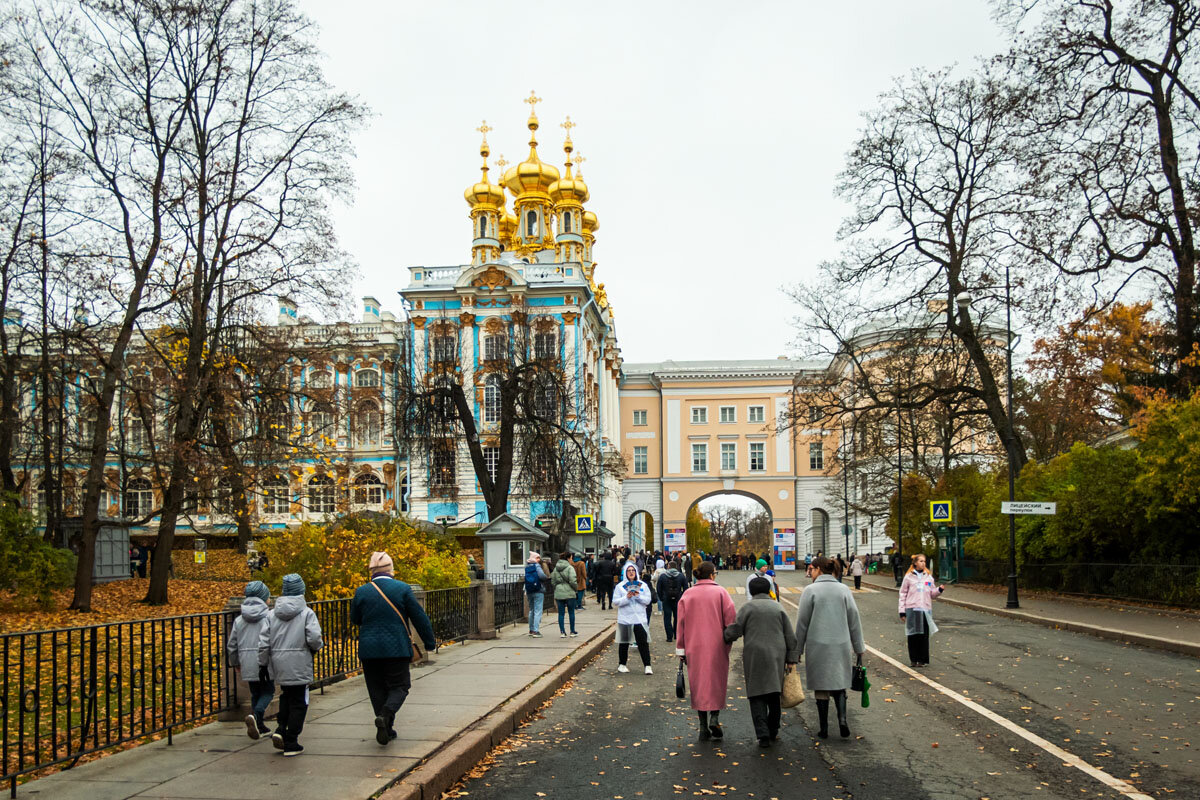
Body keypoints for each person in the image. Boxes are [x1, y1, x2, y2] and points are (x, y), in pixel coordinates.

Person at [350, 552, 437, 746]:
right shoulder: (402, 589)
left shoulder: (361, 591)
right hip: (396, 648)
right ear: (391, 569)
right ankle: (386, 714)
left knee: (376, 689)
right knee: (399, 686)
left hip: (369, 649)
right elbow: (419, 617)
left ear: (371, 571)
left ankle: (386, 728)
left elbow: (355, 619)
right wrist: (429, 642)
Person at [793, 556, 864, 739]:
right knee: (839, 683)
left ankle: (824, 728)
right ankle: (842, 720)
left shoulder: (810, 591)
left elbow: (802, 623)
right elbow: (853, 619)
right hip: (840, 643)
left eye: (812, 570)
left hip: (817, 645)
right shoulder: (843, 589)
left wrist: (797, 651)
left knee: (821, 687)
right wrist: (858, 647)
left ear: (818, 569)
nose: (811, 573)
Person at [724, 576, 799, 747]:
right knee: (774, 692)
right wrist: (792, 658)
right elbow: (789, 635)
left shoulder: (747, 608)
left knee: (756, 693)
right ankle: (773, 729)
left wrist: (725, 636)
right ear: (768, 590)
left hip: (754, 654)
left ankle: (762, 734)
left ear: (751, 591)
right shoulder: (778, 607)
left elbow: (735, 630)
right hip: (776, 655)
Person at [258, 573, 323, 756]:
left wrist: (263, 664)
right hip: (300, 662)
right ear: (301, 591)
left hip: (279, 663)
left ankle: (280, 729)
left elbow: (263, 642)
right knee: (300, 701)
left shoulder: (271, 615)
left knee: (286, 696)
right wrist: (315, 649)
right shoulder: (306, 614)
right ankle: (291, 740)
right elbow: (314, 638)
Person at [676, 561, 736, 741]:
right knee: (716, 681)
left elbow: (680, 624)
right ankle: (715, 718)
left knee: (698, 684)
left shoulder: (688, 594)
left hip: (694, 646)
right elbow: (731, 620)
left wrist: (681, 649)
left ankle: (703, 726)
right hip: (717, 645)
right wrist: (727, 639)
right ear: (712, 575)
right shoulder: (721, 592)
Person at [228, 580, 274, 740]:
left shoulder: (239, 620)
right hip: (265, 661)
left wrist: (235, 662)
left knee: (255, 693)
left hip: (246, 661)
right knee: (268, 691)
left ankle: (259, 726)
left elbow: (232, 644)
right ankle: (257, 715)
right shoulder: (269, 617)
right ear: (263, 598)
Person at [898, 554, 945, 667]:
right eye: (921, 561)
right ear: (915, 563)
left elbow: (932, 594)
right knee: (913, 635)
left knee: (923, 636)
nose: (923, 563)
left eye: (924, 561)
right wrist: (902, 611)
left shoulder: (928, 577)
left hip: (925, 610)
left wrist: (939, 590)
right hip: (912, 609)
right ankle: (914, 659)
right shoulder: (908, 577)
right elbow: (903, 593)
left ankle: (922, 660)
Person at [613, 562, 653, 674]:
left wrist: (638, 596)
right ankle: (622, 664)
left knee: (643, 642)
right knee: (624, 642)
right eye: (629, 571)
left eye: (633, 570)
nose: (631, 572)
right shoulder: (620, 586)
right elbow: (616, 602)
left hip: (639, 618)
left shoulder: (642, 585)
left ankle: (647, 665)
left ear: (636, 572)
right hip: (625, 618)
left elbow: (647, 600)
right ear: (625, 573)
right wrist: (627, 597)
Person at [656, 559, 688, 642]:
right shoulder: (681, 576)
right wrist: (682, 597)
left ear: (668, 566)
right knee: (677, 617)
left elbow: (658, 588)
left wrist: (661, 597)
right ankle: (676, 635)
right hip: (678, 599)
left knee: (667, 618)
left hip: (666, 599)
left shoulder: (663, 576)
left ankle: (669, 637)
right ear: (676, 567)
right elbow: (686, 588)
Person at [551, 551, 579, 638]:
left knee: (561, 613)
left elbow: (553, 581)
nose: (572, 560)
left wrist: (557, 588)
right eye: (571, 558)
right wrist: (575, 589)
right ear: (568, 558)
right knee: (571, 612)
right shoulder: (570, 568)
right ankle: (572, 631)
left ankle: (562, 632)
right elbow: (573, 581)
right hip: (570, 592)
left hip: (559, 592)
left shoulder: (556, 569)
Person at [525, 552, 549, 637]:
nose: (539, 559)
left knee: (531, 610)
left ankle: (531, 629)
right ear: (534, 558)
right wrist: (546, 577)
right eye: (538, 558)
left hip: (529, 590)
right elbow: (542, 576)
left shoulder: (527, 566)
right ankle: (536, 631)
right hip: (538, 590)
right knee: (538, 611)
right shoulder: (537, 566)